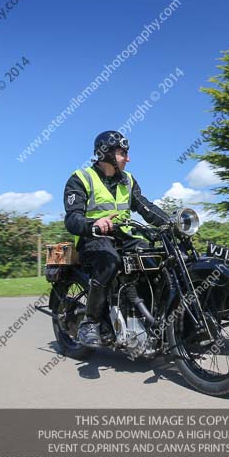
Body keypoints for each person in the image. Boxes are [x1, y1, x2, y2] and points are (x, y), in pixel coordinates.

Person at [63, 130, 170, 347]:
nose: (127, 158)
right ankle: (90, 323)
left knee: (156, 257)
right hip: (93, 239)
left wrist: (171, 223)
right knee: (110, 261)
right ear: (106, 153)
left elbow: (146, 208)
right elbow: (72, 218)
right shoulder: (81, 178)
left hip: (124, 236)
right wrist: (93, 224)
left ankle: (151, 316)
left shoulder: (128, 180)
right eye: (123, 153)